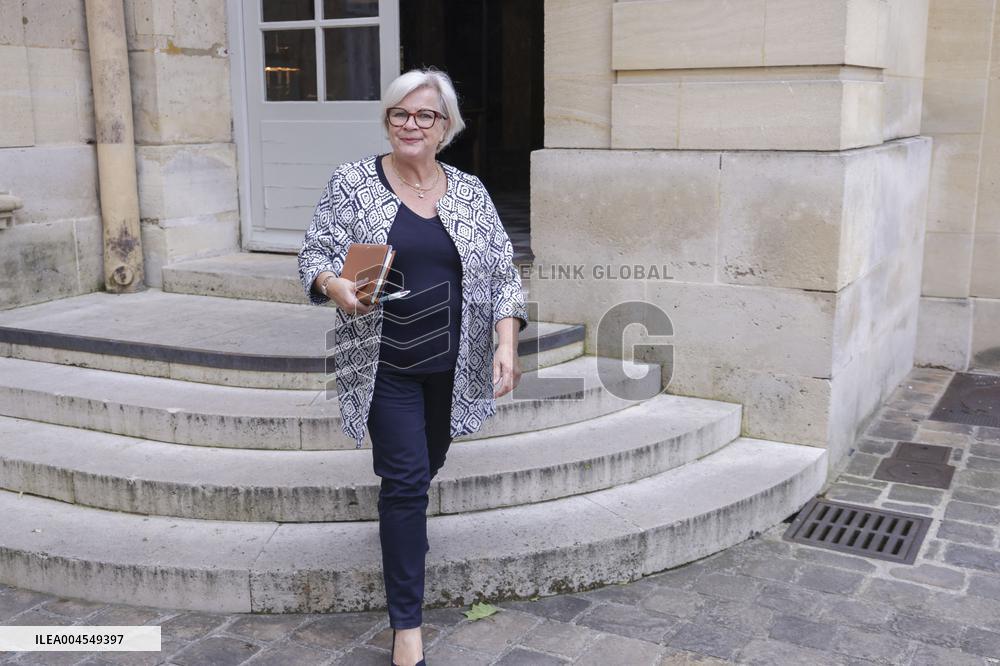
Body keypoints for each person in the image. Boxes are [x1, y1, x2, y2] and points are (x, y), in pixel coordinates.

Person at [297, 67, 529, 666]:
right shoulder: (352, 182)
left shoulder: (470, 191)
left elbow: (503, 273)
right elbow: (315, 253)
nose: (411, 124)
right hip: (385, 363)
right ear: (387, 120)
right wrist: (335, 285)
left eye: (425, 115)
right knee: (403, 482)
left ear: (444, 126)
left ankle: (406, 535)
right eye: (400, 113)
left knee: (424, 468)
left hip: (453, 366)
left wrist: (506, 342)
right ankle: (407, 626)